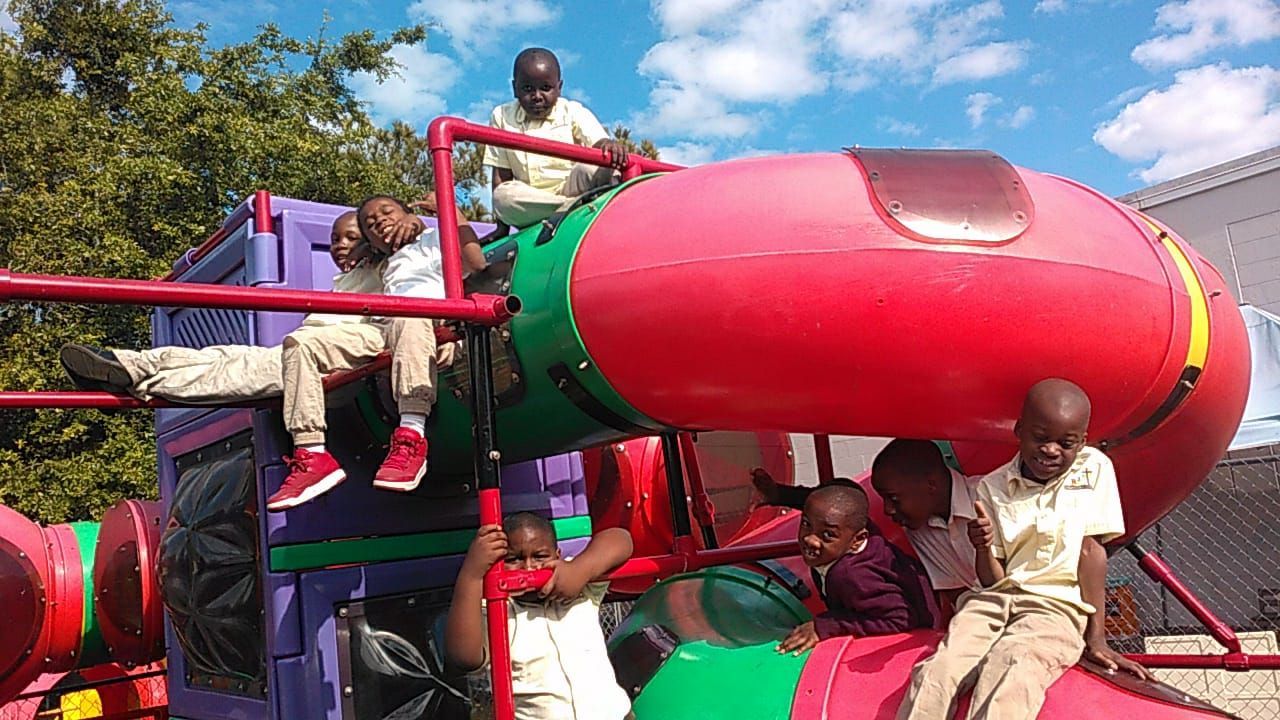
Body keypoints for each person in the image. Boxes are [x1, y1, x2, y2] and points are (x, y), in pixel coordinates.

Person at [754, 440, 1148, 677]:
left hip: (1039, 610)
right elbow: (839, 504)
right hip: (984, 620)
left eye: (893, 499)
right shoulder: (919, 526)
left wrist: (1094, 636)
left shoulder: (994, 497)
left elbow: (1075, 555)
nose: (888, 512)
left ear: (930, 484)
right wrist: (784, 495)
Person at [898, 379, 1140, 720]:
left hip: (1055, 605)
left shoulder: (1093, 468)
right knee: (939, 671)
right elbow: (993, 579)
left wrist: (1096, 638)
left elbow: (1090, 551)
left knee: (1014, 664)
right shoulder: (992, 486)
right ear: (1019, 430)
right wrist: (982, 547)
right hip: (994, 600)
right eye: (1040, 438)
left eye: (1066, 443)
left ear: (1082, 441)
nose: (1051, 450)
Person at [266, 195, 485, 511]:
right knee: (300, 344)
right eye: (369, 223)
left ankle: (411, 434)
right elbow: (356, 252)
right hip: (384, 331)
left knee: (408, 314)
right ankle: (312, 453)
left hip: (433, 325)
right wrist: (371, 246)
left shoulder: (436, 236)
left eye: (386, 212)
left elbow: (476, 263)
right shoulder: (382, 263)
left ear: (407, 213)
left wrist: (447, 211)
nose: (379, 220)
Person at [58, 211, 381, 404]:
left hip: (326, 363)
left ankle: (127, 384)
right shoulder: (344, 281)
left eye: (351, 238)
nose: (339, 246)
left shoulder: (385, 268)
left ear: (371, 240)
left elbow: (420, 254)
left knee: (228, 374)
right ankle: (127, 364)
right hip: (296, 351)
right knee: (221, 355)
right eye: (335, 239)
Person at [445, 512, 634, 720]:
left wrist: (579, 569)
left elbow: (621, 538)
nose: (528, 568)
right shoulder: (499, 610)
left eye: (540, 556)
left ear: (557, 556)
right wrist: (471, 574)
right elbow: (464, 657)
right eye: (513, 559)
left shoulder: (578, 586)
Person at [481, 47, 629, 240]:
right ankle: (575, 208)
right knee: (503, 196)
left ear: (559, 87)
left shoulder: (571, 111)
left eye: (545, 88)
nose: (537, 96)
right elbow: (501, 175)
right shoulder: (502, 116)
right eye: (527, 89)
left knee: (594, 165)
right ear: (514, 88)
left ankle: (573, 206)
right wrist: (501, 229)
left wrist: (609, 145)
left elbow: (599, 141)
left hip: (572, 187)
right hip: (531, 201)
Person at [779, 483, 935, 655]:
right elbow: (827, 502)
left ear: (858, 539)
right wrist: (779, 495)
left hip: (922, 633)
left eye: (828, 535)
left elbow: (900, 619)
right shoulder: (849, 531)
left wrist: (827, 625)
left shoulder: (852, 577)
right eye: (807, 524)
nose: (810, 539)